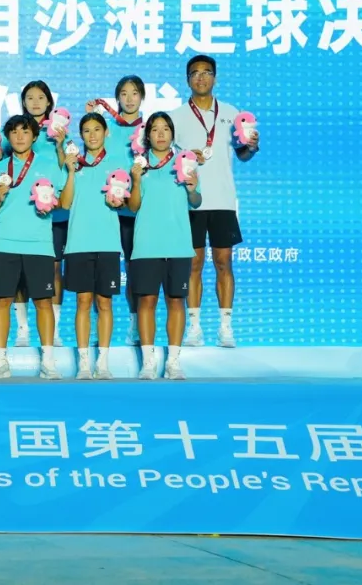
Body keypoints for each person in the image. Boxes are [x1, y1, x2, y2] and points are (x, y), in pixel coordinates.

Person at [169, 56, 260, 348]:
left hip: (222, 199)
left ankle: (225, 327)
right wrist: (184, 157)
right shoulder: (176, 116)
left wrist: (251, 147)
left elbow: (242, 153)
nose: (201, 77)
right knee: (192, 265)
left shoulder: (232, 113)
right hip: (190, 201)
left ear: (215, 78)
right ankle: (194, 327)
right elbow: (165, 155)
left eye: (207, 72)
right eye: (195, 73)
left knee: (224, 263)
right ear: (187, 79)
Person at [0, 115, 70, 379]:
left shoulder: (49, 165)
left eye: (25, 131)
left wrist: (69, 173)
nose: (20, 137)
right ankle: (0, 361)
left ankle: (48, 362)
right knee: (2, 301)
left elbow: (64, 202)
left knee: (43, 302)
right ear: (7, 137)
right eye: (14, 132)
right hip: (3, 244)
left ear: (34, 136)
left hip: (39, 245)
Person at [127, 111, 202, 380]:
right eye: (155, 129)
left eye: (165, 129)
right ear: (147, 135)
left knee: (176, 302)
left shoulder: (185, 163)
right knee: (146, 301)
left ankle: (173, 362)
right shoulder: (139, 165)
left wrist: (192, 189)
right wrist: (136, 181)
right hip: (146, 246)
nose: (160, 134)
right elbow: (133, 206)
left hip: (178, 245)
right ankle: (148, 363)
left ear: (172, 134)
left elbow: (196, 202)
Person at [58, 113, 129, 379]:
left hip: (107, 243)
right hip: (78, 243)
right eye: (86, 130)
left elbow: (127, 201)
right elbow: (65, 204)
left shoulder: (117, 163)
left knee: (105, 302)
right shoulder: (74, 163)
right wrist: (70, 172)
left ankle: (103, 362)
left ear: (106, 132)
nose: (92, 135)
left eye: (97, 129)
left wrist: (120, 201)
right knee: (83, 302)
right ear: (81, 135)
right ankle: (84, 364)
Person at [87, 75, 146, 347]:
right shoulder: (106, 127)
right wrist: (92, 117)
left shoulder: (148, 129)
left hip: (135, 210)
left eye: (135, 93)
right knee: (98, 271)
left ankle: (135, 324)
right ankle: (97, 327)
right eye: (124, 93)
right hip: (106, 209)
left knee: (135, 269)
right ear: (117, 98)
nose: (129, 98)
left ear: (142, 96)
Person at [21, 81, 68, 348]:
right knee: (20, 272)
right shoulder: (16, 130)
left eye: (41, 97)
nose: (36, 102)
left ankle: (55, 329)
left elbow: (68, 170)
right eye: (30, 97)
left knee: (54, 270)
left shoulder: (60, 132)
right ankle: (23, 330)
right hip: (23, 213)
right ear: (23, 102)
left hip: (54, 215)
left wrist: (60, 145)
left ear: (49, 102)